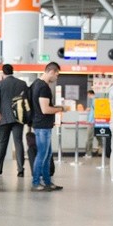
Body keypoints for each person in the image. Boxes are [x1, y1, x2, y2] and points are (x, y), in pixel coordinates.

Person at [29, 62, 64, 192]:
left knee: (47, 154)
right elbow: (45, 109)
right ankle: (36, 182)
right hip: (42, 125)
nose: (56, 78)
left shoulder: (35, 84)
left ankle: (47, 182)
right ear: (51, 72)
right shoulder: (43, 87)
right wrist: (61, 109)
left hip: (40, 124)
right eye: (57, 74)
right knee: (42, 154)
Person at [0, 63, 28, 176]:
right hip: (19, 117)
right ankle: (21, 169)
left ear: (3, 73)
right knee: (18, 142)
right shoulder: (22, 84)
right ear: (13, 71)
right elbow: (26, 101)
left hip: (3, 118)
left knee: (2, 143)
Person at [83, 89, 98, 157]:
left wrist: (90, 120)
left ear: (89, 94)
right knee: (98, 137)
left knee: (89, 138)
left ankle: (88, 153)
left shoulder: (94, 100)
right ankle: (103, 151)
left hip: (92, 122)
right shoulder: (95, 100)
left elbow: (95, 112)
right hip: (94, 121)